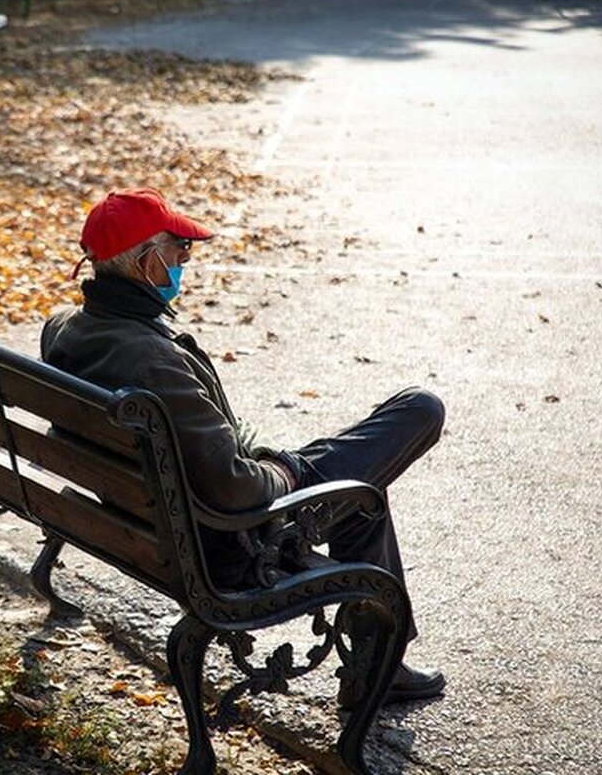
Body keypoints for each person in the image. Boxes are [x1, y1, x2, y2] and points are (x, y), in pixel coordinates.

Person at [41, 187, 446, 706]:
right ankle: (377, 668)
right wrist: (283, 471)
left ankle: (377, 666)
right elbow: (237, 489)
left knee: (359, 488)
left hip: (151, 523)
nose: (186, 259)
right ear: (145, 263)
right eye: (176, 248)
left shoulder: (65, 330)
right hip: (232, 543)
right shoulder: (151, 361)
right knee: (418, 412)